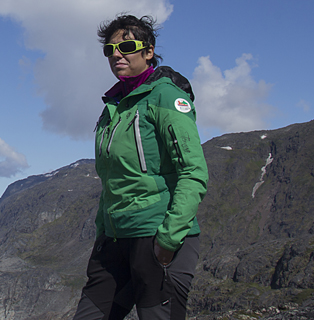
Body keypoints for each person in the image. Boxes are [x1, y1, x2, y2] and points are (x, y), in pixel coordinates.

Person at [73, 14, 209, 320]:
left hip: (157, 236)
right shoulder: (114, 107)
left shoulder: (165, 97)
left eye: (127, 46)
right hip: (115, 241)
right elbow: (111, 181)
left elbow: (193, 172)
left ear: (149, 51)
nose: (116, 55)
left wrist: (168, 240)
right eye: (109, 50)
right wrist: (102, 234)